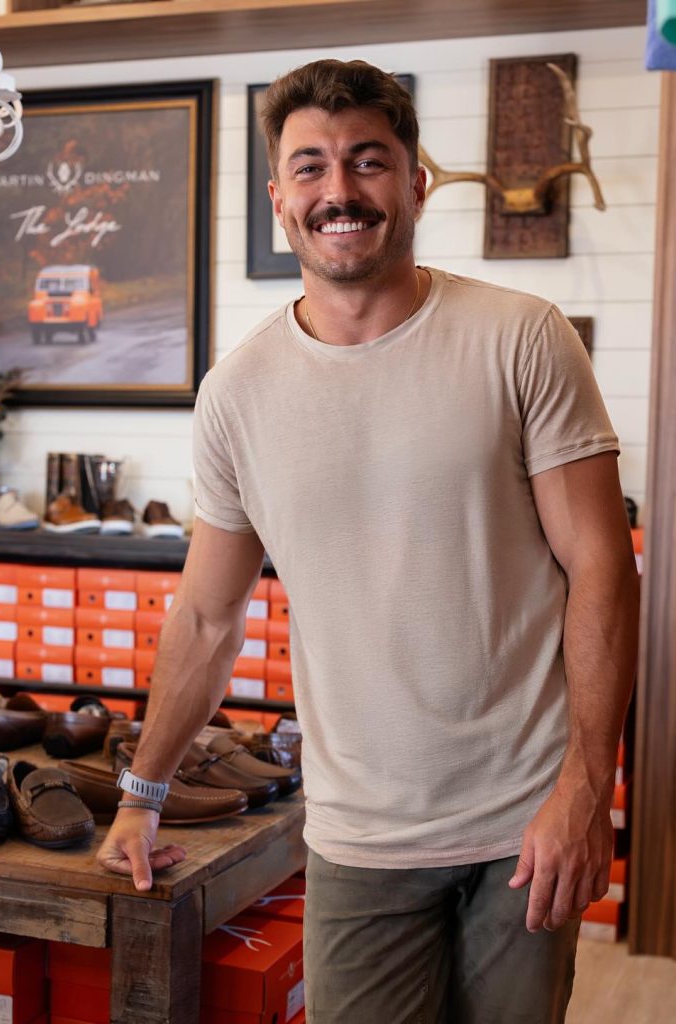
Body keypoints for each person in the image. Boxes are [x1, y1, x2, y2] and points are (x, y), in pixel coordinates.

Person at [97, 58, 640, 1023]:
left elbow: (601, 568)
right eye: (310, 168)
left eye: (368, 162)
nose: (339, 191)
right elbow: (208, 614)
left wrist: (587, 789)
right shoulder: (238, 393)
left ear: (416, 182)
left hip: (524, 823)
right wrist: (143, 789)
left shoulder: (520, 337)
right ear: (279, 199)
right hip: (357, 838)